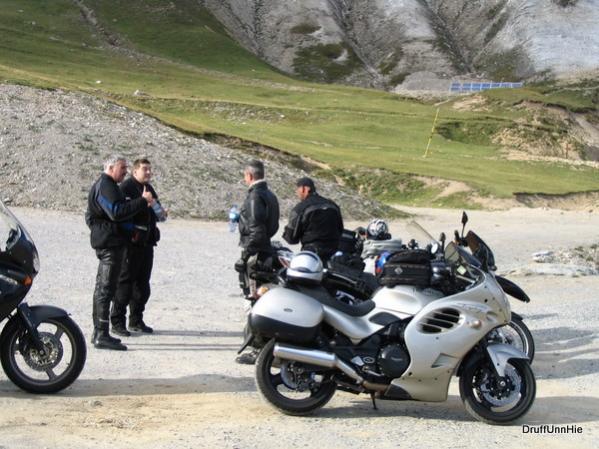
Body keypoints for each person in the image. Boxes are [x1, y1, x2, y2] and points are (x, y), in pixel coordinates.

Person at [85, 155, 154, 350]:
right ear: (110, 167)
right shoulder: (105, 185)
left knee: (105, 288)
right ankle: (101, 334)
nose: (125, 171)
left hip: (111, 243)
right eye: (122, 167)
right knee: (106, 289)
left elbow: (92, 216)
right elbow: (116, 211)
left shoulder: (109, 186)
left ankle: (100, 332)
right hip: (110, 246)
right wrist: (141, 202)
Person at [111, 158, 167, 337]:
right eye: (145, 169)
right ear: (135, 171)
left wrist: (160, 212)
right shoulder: (126, 188)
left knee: (142, 285)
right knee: (125, 283)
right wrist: (143, 203)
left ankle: (136, 320)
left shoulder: (149, 189)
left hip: (147, 243)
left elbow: (157, 213)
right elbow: (121, 213)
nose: (149, 173)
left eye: (150, 169)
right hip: (131, 244)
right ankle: (117, 321)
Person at [235, 160, 280, 365]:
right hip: (265, 250)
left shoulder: (254, 196)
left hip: (257, 255)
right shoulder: (270, 195)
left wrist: (246, 256)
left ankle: (257, 348)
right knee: (261, 297)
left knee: (254, 300)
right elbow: (272, 226)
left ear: (249, 176)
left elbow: (257, 231)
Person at [282, 177, 344, 263]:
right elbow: (340, 229)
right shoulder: (333, 205)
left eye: (298, 189)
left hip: (312, 254)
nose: (297, 193)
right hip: (334, 254)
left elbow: (291, 238)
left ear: (305, 189)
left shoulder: (300, 208)